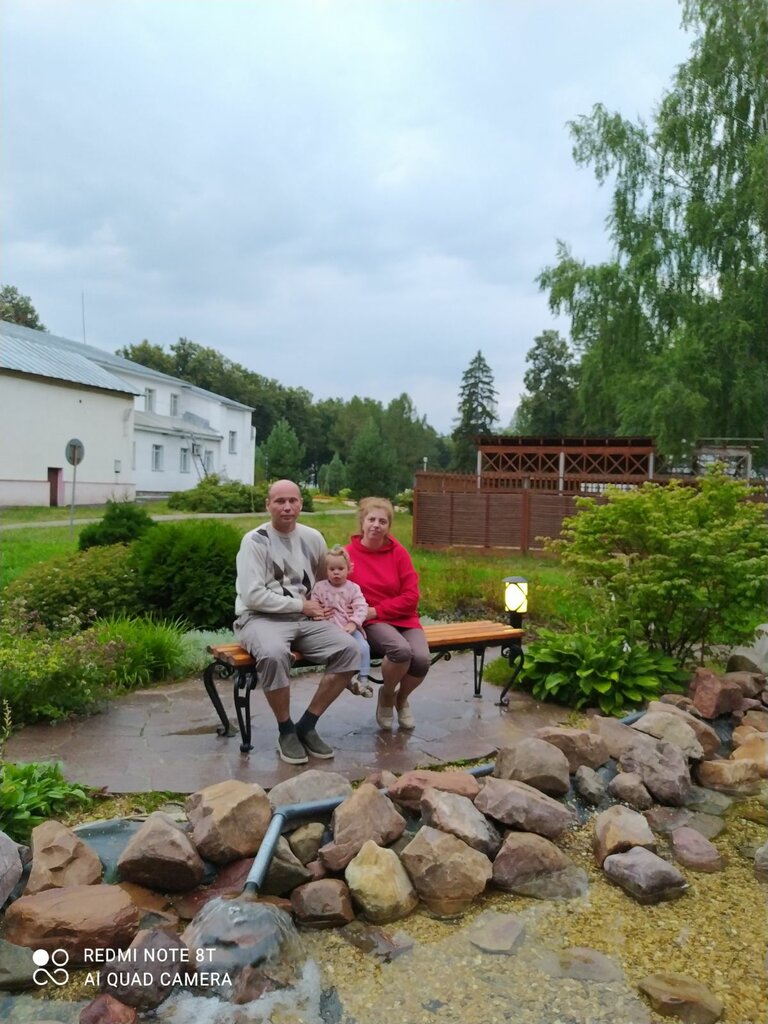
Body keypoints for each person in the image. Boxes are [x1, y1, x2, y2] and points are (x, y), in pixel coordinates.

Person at [234, 480, 360, 765]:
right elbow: (252, 596)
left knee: (349, 650)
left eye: (293, 500)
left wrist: (331, 610)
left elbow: (321, 581)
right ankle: (286, 729)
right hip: (260, 618)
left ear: (301, 504)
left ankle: (307, 725)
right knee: (273, 654)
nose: (287, 507)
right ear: (268, 505)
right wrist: (300, 605)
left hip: (304, 618)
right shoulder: (254, 541)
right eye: (280, 501)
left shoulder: (313, 538)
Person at [346, 497, 430, 731]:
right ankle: (387, 696)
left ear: (389, 526)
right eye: (371, 519)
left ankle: (401, 699)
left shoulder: (398, 553)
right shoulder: (348, 555)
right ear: (362, 522)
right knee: (401, 651)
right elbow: (339, 590)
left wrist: (378, 609)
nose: (376, 525)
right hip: (371, 620)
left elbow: (411, 596)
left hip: (402, 617)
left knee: (422, 660)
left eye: (382, 521)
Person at [311, 545, 376, 698]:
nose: (336, 572)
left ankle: (364, 678)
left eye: (340, 568)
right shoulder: (320, 587)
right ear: (326, 570)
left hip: (349, 627)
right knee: (338, 652)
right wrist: (318, 615)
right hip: (329, 630)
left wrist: (354, 623)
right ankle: (348, 678)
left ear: (348, 569)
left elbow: (361, 607)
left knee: (363, 647)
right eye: (332, 569)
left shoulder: (353, 588)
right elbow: (314, 606)